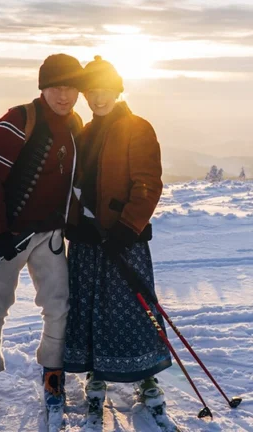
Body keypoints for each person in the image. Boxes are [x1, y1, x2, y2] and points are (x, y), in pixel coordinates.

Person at [0, 54, 84, 430]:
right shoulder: (18, 120)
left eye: (71, 87)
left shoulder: (75, 124)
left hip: (48, 234)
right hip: (8, 235)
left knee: (58, 304)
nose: (64, 96)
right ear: (42, 87)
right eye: (56, 87)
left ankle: (53, 371)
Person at [64, 56, 173, 427]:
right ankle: (96, 374)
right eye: (92, 91)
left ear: (118, 89)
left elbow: (148, 183)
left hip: (123, 240)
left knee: (132, 309)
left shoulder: (137, 127)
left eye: (105, 90)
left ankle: (146, 379)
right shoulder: (82, 132)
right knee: (89, 308)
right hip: (86, 241)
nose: (98, 98)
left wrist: (127, 228)